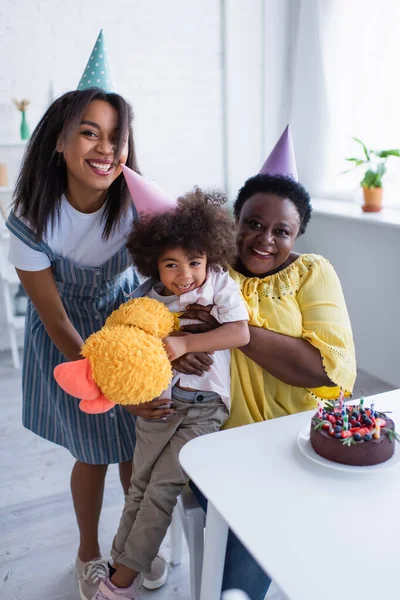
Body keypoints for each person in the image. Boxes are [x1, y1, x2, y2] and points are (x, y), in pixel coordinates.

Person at [5, 87, 197, 600]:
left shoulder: (141, 205)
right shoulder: (30, 219)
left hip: (128, 331)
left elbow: (173, 279)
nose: (106, 148)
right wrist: (109, 383)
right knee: (92, 454)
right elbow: (55, 320)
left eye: (117, 136)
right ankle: (89, 554)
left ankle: (132, 551)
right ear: (59, 142)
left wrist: (169, 347)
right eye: (90, 132)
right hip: (70, 342)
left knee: (139, 449)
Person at [181, 126, 357, 599]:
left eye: (282, 231)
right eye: (254, 223)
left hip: (296, 441)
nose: (265, 239)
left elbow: (326, 370)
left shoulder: (312, 273)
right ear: (233, 221)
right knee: (249, 516)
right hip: (215, 443)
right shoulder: (201, 274)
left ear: (297, 235)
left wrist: (228, 334)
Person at [93, 179, 249, 600]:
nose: (186, 276)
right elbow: (132, 351)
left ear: (209, 257)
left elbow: (240, 333)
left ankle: (119, 585)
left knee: (161, 490)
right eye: (172, 265)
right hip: (160, 403)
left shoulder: (218, 284)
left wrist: (184, 342)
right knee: (139, 487)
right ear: (153, 265)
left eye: (194, 262)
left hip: (204, 407)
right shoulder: (145, 299)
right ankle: (117, 565)